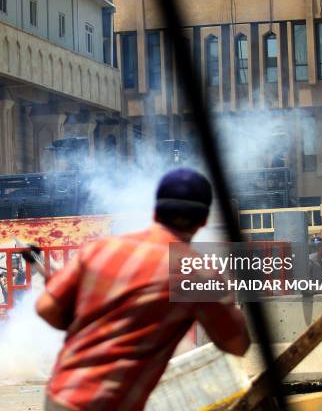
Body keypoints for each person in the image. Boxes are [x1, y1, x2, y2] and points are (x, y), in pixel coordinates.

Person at [35, 168, 250, 411]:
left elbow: (46, 309)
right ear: (203, 221)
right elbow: (237, 345)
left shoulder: (102, 248)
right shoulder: (196, 273)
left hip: (60, 394)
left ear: (156, 211)